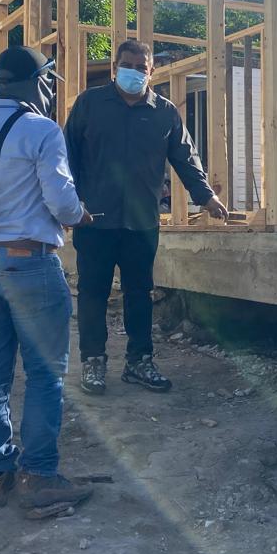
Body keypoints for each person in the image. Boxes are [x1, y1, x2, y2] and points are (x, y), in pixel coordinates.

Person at [0, 46, 95, 509]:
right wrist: (79, 215)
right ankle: (40, 477)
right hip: (28, 260)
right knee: (45, 373)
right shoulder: (41, 129)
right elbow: (62, 202)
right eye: (49, 80)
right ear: (37, 82)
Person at [65, 39, 228, 396]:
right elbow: (68, 156)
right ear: (115, 68)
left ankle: (139, 362)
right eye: (128, 65)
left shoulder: (164, 112)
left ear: (152, 71)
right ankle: (93, 361)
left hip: (141, 223)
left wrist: (207, 197)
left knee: (139, 293)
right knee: (92, 293)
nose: (134, 72)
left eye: (142, 67)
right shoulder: (90, 104)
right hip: (94, 220)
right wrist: (69, 203)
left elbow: (185, 157)